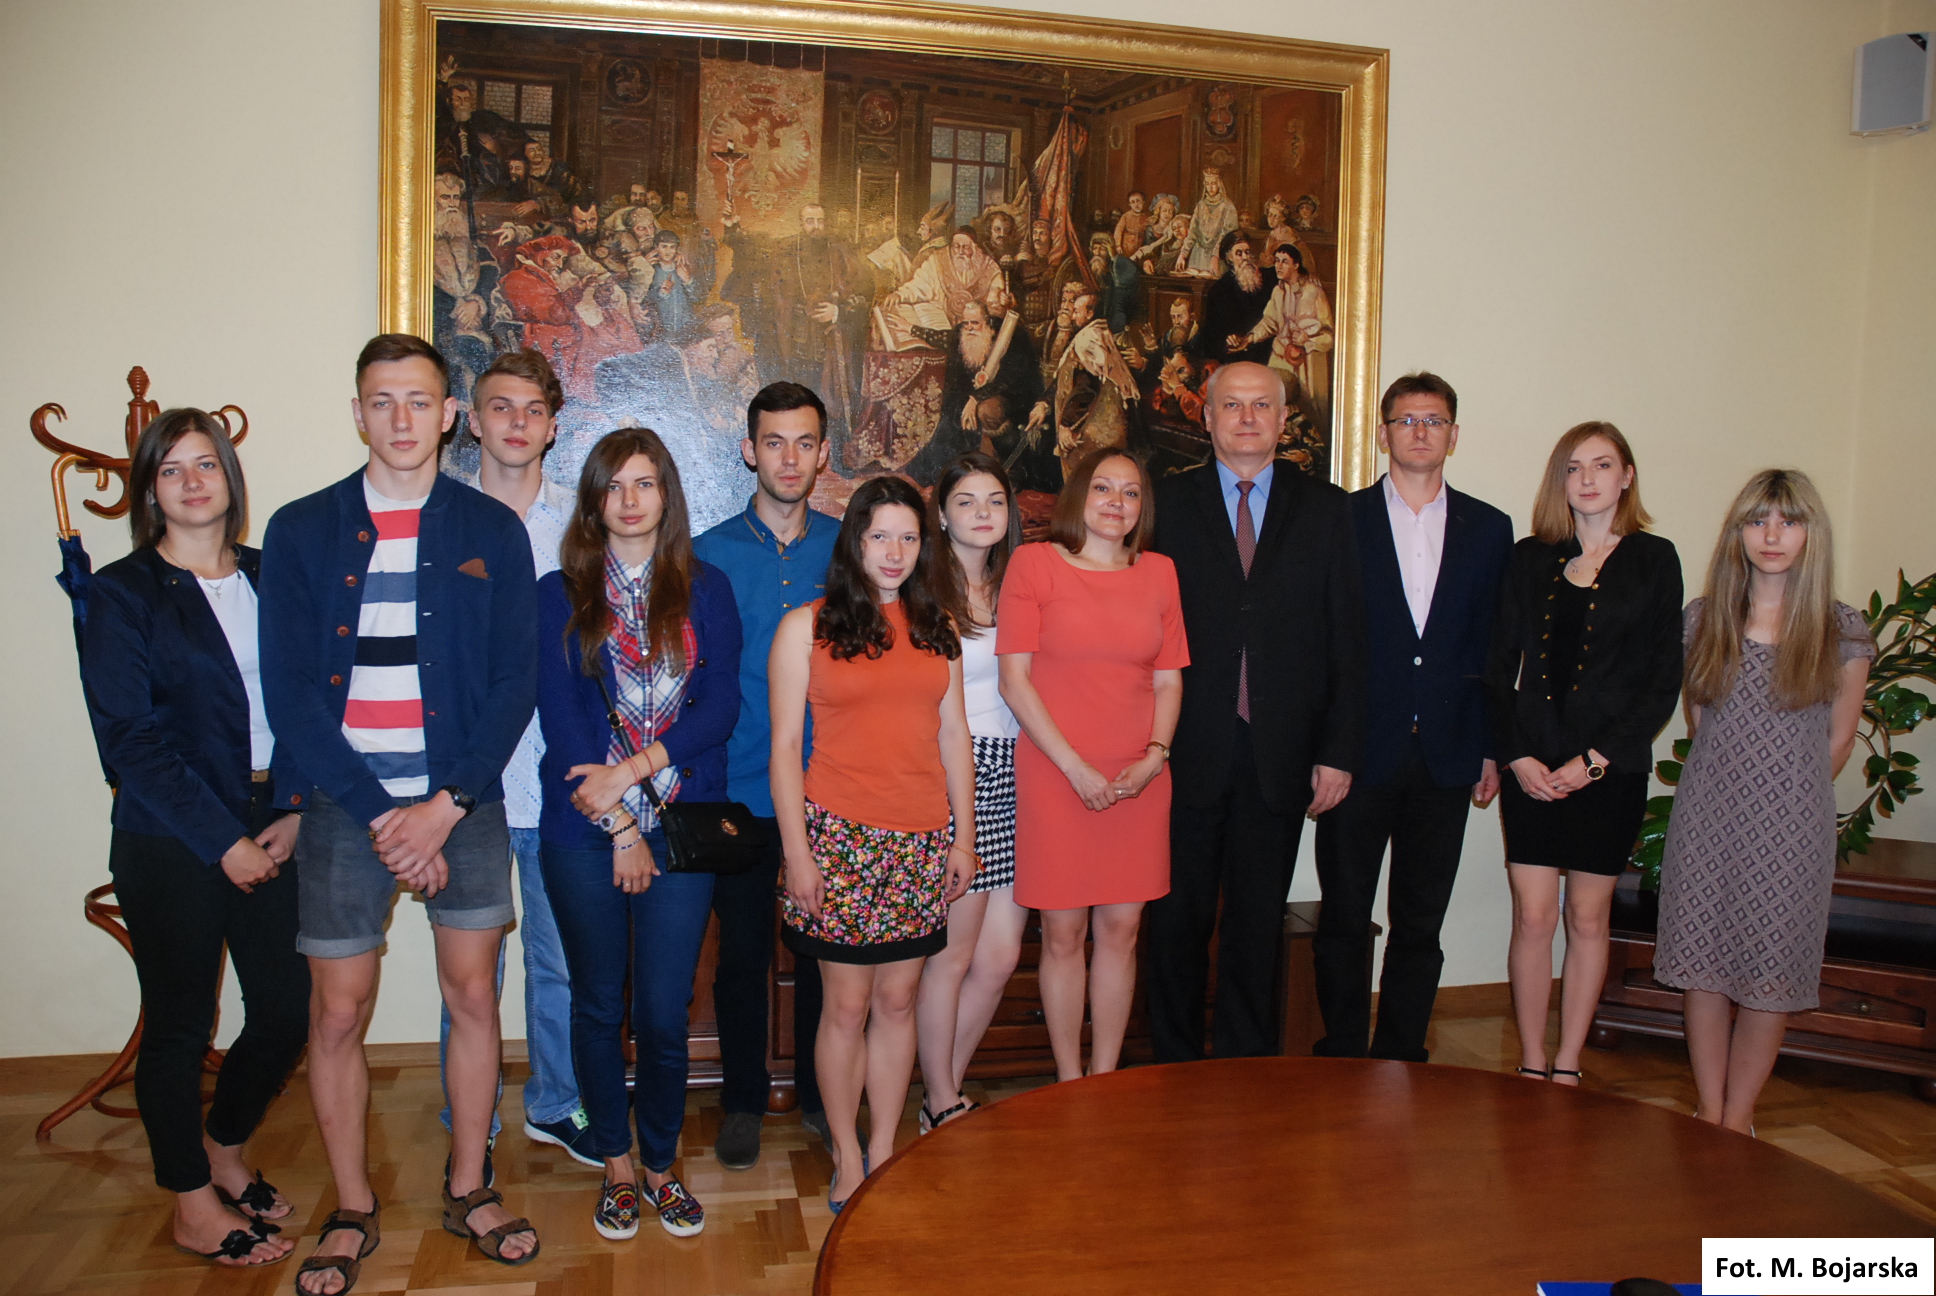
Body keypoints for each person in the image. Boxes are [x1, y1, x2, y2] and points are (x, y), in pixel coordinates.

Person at [262, 334, 540, 1294]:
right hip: (349, 804)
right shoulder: (302, 529)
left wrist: (444, 807)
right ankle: (351, 1205)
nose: (401, 419)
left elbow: (513, 682)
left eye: (419, 400)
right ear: (358, 413)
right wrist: (388, 816)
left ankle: (469, 1186)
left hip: (462, 799)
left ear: (449, 414)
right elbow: (291, 694)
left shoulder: (491, 529)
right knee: (338, 1012)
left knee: (474, 998)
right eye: (381, 401)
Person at [81, 409, 309, 1269]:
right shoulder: (121, 592)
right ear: (149, 490)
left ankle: (223, 1149)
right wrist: (223, 840)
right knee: (180, 1025)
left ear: (229, 477)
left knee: (286, 1009)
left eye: (205, 464)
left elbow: (310, 699)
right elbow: (128, 741)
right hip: (171, 834)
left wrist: (294, 808)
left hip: (273, 819)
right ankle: (188, 1203)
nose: (191, 481)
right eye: (170, 468)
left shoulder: (272, 574)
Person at [535, 427, 742, 1238]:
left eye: (645, 483)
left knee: (662, 1011)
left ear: (667, 496)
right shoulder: (558, 594)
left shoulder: (706, 588)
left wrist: (636, 769)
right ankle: (616, 1165)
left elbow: (719, 709)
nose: (630, 500)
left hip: (680, 823)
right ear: (594, 500)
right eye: (614, 485)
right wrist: (620, 820)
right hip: (585, 829)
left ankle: (661, 1164)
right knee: (596, 1004)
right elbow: (563, 724)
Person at [1144, 362, 1364, 1061]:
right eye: (1232, 405)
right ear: (1206, 416)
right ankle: (1172, 1065)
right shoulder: (1163, 504)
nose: (1246, 418)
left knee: (1257, 922)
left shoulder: (1327, 509)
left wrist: (1338, 751)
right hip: (1182, 748)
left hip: (1282, 753)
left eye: (1261, 405)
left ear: (1283, 417)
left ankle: (1244, 1067)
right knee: (1174, 920)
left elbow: (1348, 638)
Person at [770, 475, 978, 1211]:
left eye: (909, 537)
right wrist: (798, 854)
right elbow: (784, 748)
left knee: (898, 1001)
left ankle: (885, 1148)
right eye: (880, 535)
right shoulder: (806, 628)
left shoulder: (937, 627)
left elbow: (954, 737)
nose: (894, 551)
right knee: (846, 1006)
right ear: (854, 540)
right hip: (839, 839)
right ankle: (848, 1153)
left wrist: (963, 839)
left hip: (922, 841)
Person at [1652, 469, 1872, 1133]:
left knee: (1769, 976)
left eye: (1789, 521)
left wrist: (1783, 803)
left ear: (1811, 534)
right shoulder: (1704, 620)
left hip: (1794, 829)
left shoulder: (1841, 629)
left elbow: (1838, 742)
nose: (1772, 536)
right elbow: (1701, 722)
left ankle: (1738, 1119)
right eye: (1758, 521)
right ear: (1739, 532)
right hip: (1708, 820)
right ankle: (1709, 1109)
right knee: (1705, 971)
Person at [1312, 373, 1512, 1061]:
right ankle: (1341, 1052)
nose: (1420, 431)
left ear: (1454, 435)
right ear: (1383, 433)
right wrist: (1327, 746)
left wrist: (1490, 746)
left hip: (1448, 754)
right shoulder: (1343, 519)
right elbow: (1323, 641)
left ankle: (1401, 1057)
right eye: (1406, 420)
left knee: (1420, 922)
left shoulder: (1490, 528)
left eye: (1434, 420)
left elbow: (1494, 647)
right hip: (1358, 752)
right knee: (1344, 915)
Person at [434, 350, 597, 1167]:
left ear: (553, 426)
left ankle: (556, 1103)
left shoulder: (579, 527)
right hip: (464, 784)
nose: (517, 423)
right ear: (473, 419)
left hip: (552, 777)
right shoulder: (442, 518)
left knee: (557, 959)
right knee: (470, 967)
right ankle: (467, 1116)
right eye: (501, 407)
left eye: (533, 410)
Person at [1486, 421, 1682, 1086]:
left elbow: (1662, 681)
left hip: (1610, 771)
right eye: (1574, 467)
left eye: (1602, 465)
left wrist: (1597, 761)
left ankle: (1568, 1063)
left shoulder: (1655, 560)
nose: (1588, 479)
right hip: (1533, 769)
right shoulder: (1529, 558)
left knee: (1588, 917)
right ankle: (1531, 1060)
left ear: (1627, 477)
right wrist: (1516, 757)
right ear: (1560, 481)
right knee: (1533, 916)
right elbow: (1496, 668)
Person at [998, 447, 1187, 1079]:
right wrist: (1075, 768)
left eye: (1131, 492)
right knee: (1062, 934)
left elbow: (1169, 680)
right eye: (1103, 488)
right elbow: (1015, 682)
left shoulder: (1160, 572)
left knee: (1123, 931)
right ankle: (1068, 1080)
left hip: (1139, 778)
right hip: (1057, 774)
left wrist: (1155, 757)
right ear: (1079, 495)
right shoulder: (1035, 563)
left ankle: (1103, 1079)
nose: (1116, 502)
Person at [691, 383, 842, 1167]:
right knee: (743, 954)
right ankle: (743, 1100)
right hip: (738, 790)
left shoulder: (848, 549)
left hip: (834, 789)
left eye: (804, 442)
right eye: (774, 442)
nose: (789, 458)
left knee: (824, 954)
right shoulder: (706, 554)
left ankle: (822, 1095)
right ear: (749, 451)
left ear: (824, 453)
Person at [913, 454, 1028, 1131]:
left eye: (995, 500)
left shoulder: (1022, 583)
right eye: (966, 501)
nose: (983, 513)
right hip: (961, 771)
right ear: (942, 513)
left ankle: (942, 1092)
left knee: (1001, 956)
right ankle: (940, 1099)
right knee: (953, 956)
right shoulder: (925, 592)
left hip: (1021, 769)